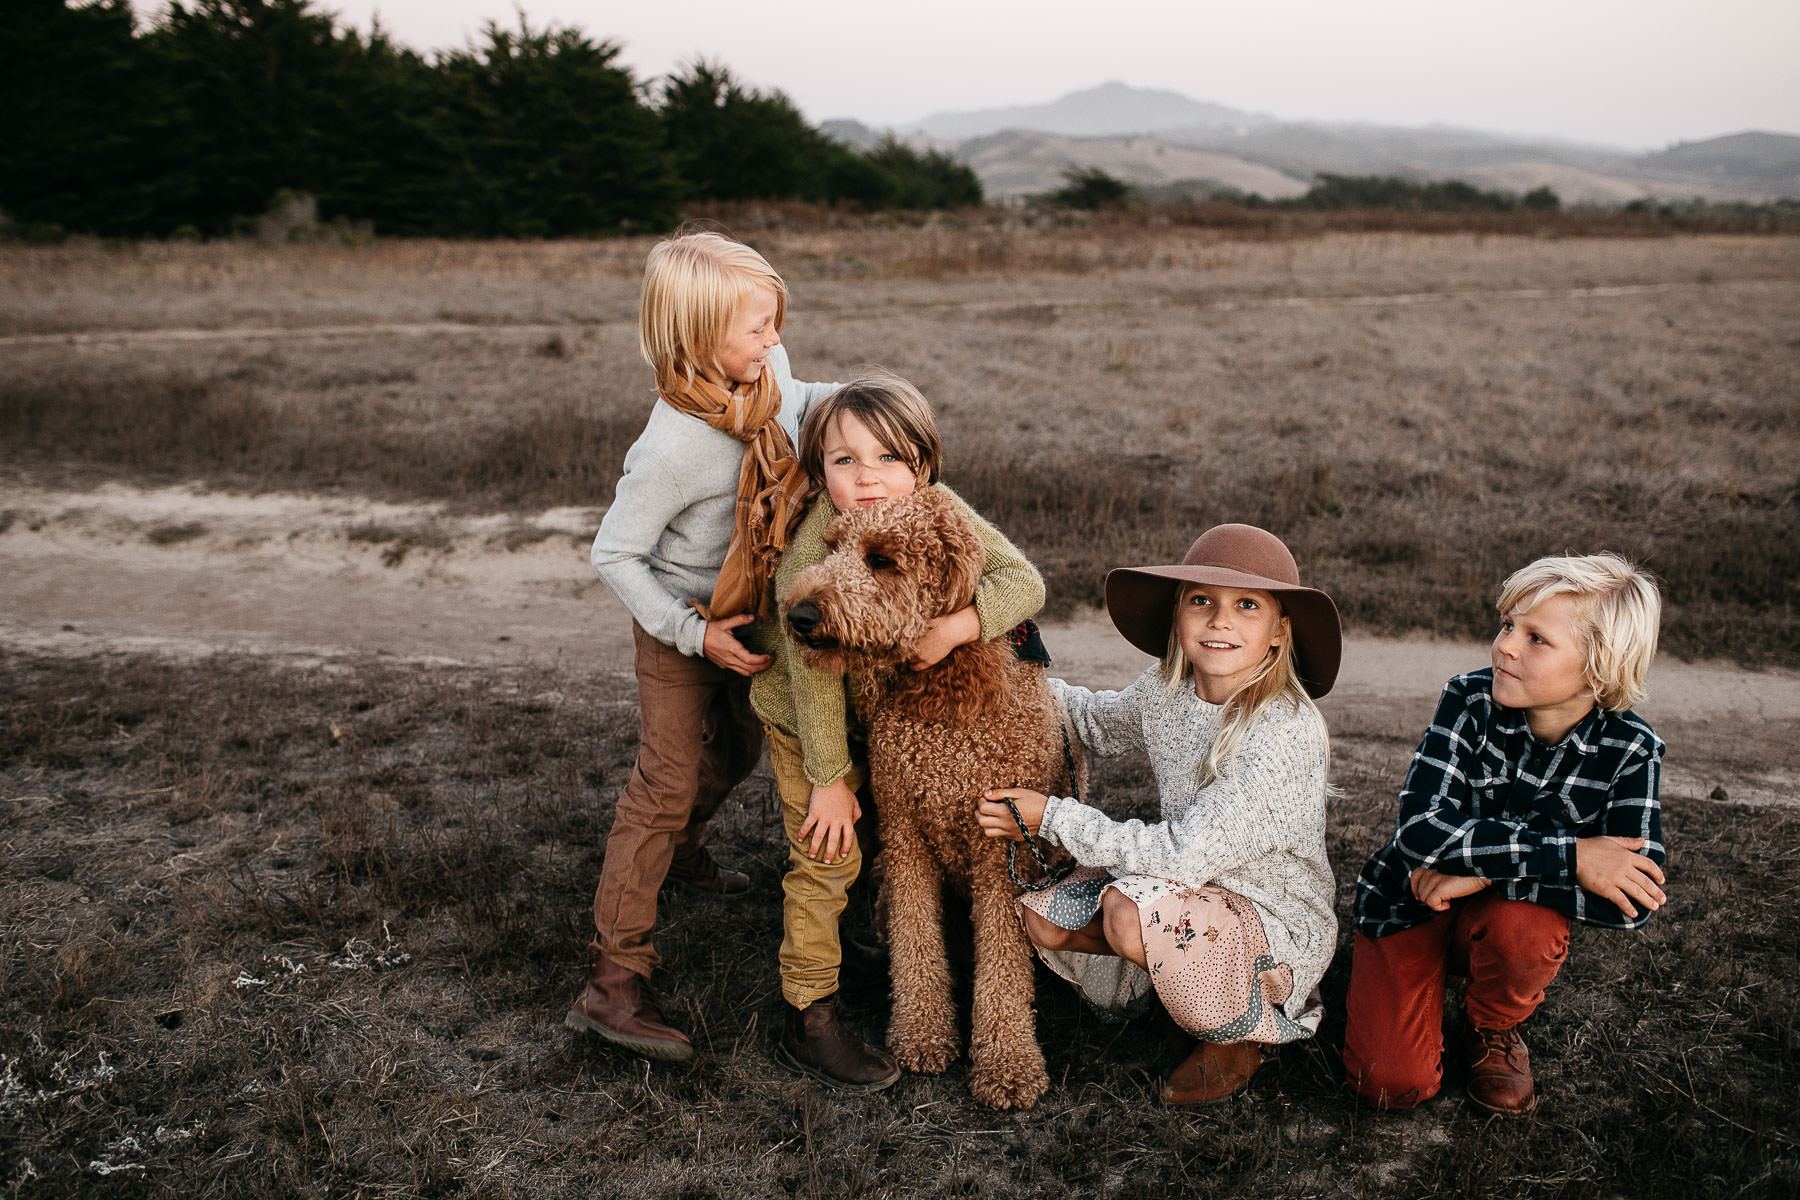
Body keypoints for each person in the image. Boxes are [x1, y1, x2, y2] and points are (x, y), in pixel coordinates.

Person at [566, 231, 838, 1062]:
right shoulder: (672, 448)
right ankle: (613, 983)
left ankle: (682, 852)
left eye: (775, 323)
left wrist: (872, 409)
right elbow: (613, 554)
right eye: (755, 329)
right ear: (692, 339)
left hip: (755, 610)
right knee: (667, 777)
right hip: (681, 621)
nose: (773, 340)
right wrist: (692, 634)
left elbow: (807, 400)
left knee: (741, 749)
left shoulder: (771, 371)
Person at [977, 524, 1342, 1105]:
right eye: (1202, 601)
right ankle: (1179, 987)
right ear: (1179, 616)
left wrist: (1051, 815)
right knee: (1043, 920)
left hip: (1272, 917)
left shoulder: (1281, 732)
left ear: (1278, 633)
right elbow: (1095, 722)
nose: (1220, 621)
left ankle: (1247, 1026)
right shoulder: (1168, 688)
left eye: (1247, 606)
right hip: (1189, 887)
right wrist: (1011, 673)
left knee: (1125, 913)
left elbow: (1181, 853)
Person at [753, 371, 1046, 1090]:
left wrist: (958, 627)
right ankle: (813, 1011)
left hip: (900, 707)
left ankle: (984, 1024)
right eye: (845, 461)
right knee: (833, 854)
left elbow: (1023, 580)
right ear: (820, 470)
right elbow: (813, 681)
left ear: (921, 467)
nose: (868, 479)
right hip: (811, 719)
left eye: (889, 459)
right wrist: (828, 782)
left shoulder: (940, 512)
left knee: (949, 853)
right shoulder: (818, 545)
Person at [1343, 553, 1666, 1115]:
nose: (1505, 646)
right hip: (1410, 900)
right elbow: (1421, 831)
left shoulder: (1631, 749)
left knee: (1525, 928)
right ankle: (1399, 981)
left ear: (1600, 666)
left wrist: (1479, 873)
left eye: (1536, 638)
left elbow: (1631, 902)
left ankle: (1491, 1024)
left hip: (1496, 918)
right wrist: (1571, 855)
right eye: (1507, 625)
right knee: (1390, 1083)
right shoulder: (1468, 700)